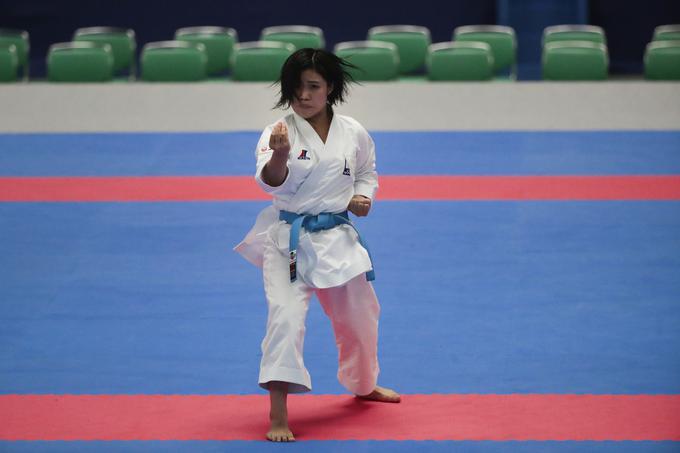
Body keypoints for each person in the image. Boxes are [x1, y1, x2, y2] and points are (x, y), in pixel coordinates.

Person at [235, 48, 400, 443]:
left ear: (331, 90)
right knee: (285, 319)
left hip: (337, 239)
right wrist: (280, 156)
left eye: (313, 87)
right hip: (288, 241)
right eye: (296, 88)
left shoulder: (354, 131)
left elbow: (366, 172)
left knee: (361, 317)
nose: (303, 96)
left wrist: (364, 198)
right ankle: (278, 411)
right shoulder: (279, 131)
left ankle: (363, 384)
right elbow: (270, 181)